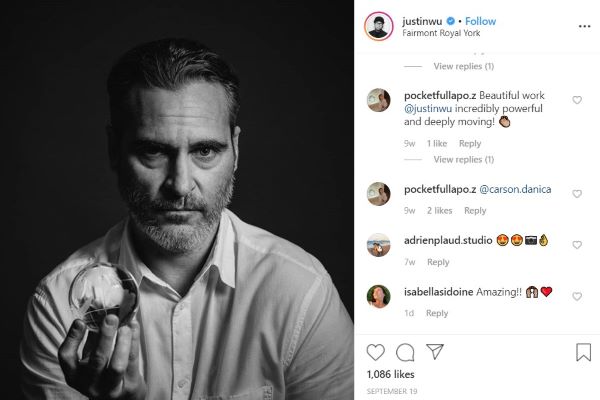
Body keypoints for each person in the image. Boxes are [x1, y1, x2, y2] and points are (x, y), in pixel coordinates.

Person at [20, 38, 353, 400]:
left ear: (236, 151)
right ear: (114, 151)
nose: (179, 185)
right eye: (153, 150)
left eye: (205, 151)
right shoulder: (58, 304)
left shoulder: (301, 291)